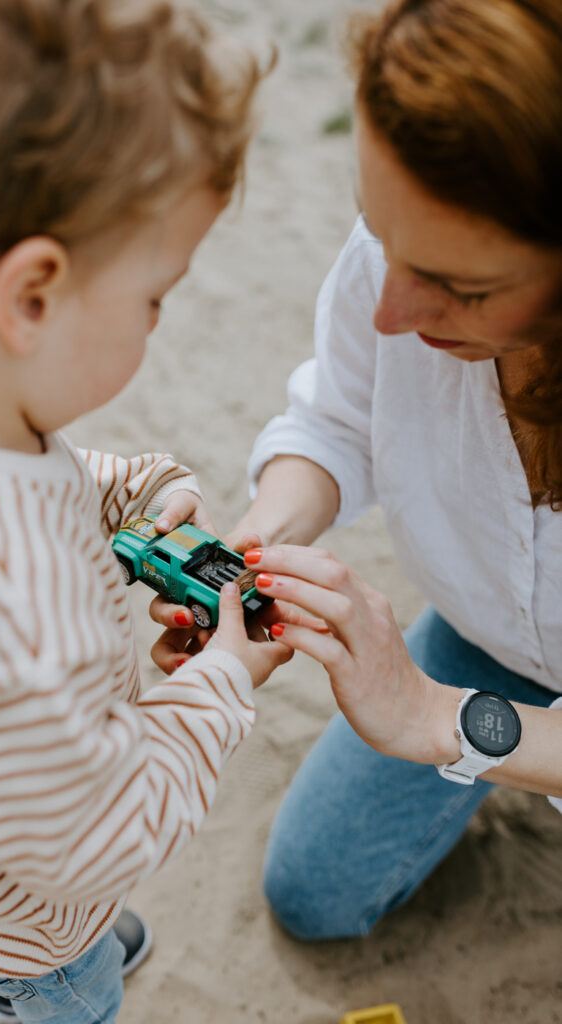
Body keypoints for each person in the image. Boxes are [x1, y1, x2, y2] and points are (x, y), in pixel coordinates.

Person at [0, 2, 295, 1022]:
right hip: (29, 907)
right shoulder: (7, 605)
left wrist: (131, 489)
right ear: (32, 296)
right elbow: (96, 836)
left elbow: (39, 472)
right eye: (154, 297)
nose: (158, 320)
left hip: (6, 802)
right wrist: (224, 681)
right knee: (72, 978)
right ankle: (66, 980)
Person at [153, 0, 562, 941]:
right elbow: (337, 417)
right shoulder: (401, 261)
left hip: (457, 681)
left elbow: (428, 714)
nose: (390, 313)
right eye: (384, 238)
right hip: (487, 632)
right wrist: (259, 542)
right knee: (315, 893)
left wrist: (432, 715)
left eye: (462, 287)